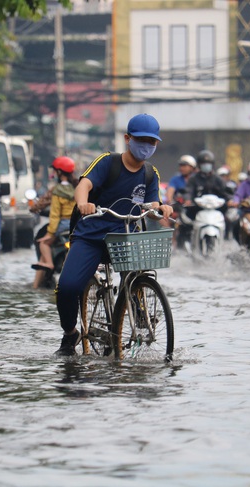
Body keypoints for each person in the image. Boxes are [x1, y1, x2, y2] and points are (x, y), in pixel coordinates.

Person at [54, 114, 173, 356]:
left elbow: (150, 207)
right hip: (91, 236)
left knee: (137, 274)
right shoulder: (108, 162)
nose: (147, 146)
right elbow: (83, 185)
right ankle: (70, 334)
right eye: (142, 140)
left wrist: (160, 209)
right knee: (67, 287)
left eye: (152, 142)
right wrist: (83, 204)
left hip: (126, 236)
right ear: (127, 138)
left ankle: (137, 308)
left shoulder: (150, 174)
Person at [32, 156, 78, 288]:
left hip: (61, 225)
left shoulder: (57, 190)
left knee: (43, 244)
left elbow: (55, 215)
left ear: (58, 172)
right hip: (76, 225)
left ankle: (42, 275)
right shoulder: (78, 187)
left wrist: (49, 234)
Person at [184, 149, 228, 219]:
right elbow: (189, 191)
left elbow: (226, 191)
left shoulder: (218, 179)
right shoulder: (193, 179)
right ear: (199, 165)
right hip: (197, 210)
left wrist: (230, 200)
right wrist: (188, 199)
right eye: (203, 164)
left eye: (208, 164)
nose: (206, 166)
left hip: (217, 210)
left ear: (212, 165)